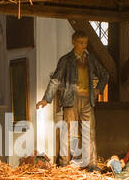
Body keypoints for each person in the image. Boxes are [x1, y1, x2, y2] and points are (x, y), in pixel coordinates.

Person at [36, 27, 107, 167]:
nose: (83, 46)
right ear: (73, 42)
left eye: (85, 43)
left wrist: (99, 89)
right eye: (80, 43)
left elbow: (104, 74)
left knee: (89, 132)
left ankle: (92, 164)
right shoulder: (66, 60)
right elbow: (56, 79)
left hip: (87, 100)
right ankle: (64, 163)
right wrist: (46, 99)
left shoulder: (90, 59)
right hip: (71, 100)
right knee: (68, 132)